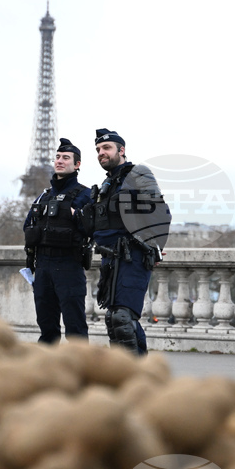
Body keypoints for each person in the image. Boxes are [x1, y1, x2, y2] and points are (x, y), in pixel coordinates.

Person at [80, 128, 170, 356]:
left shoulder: (138, 174)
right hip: (110, 259)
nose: (101, 153)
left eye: (107, 148)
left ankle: (138, 377)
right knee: (114, 320)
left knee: (123, 317)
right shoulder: (107, 184)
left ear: (121, 150)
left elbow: (160, 213)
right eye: (98, 149)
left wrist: (155, 248)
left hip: (133, 256)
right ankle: (128, 374)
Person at [22, 138, 93, 344]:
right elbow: (28, 226)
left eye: (66, 158)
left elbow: (92, 228)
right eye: (58, 157)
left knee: (75, 328)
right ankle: (46, 372)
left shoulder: (85, 195)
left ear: (77, 164)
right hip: (42, 266)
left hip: (69, 265)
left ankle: (80, 372)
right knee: (46, 327)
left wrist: (75, 214)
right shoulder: (43, 196)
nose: (60, 161)